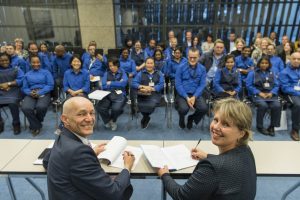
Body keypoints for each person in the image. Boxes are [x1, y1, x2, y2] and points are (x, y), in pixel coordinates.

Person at [158, 98, 256, 200]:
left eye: (226, 124)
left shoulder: (211, 168)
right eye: (216, 120)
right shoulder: (246, 150)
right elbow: (227, 165)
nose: (216, 127)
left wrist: (164, 175)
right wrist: (207, 156)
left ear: (241, 133)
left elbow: (181, 196)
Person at [43, 96, 135, 200]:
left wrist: (91, 153)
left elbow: (46, 161)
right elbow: (113, 194)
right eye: (81, 114)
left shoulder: (63, 134)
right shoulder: (78, 152)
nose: (90, 119)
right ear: (65, 119)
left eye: (92, 113)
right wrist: (127, 167)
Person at [246, 56, 281, 136]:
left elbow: (276, 85)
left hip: (270, 94)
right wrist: (259, 93)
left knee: (277, 105)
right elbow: (249, 85)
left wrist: (272, 93)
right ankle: (260, 126)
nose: (264, 65)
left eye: (266, 63)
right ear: (259, 64)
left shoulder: (272, 72)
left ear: (269, 64)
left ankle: (271, 126)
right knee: (263, 105)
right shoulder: (252, 72)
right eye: (262, 63)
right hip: (256, 94)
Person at [175, 48, 207, 129]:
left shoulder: (202, 69)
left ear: (199, 57)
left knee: (203, 109)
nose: (192, 59)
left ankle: (191, 119)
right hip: (183, 94)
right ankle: (181, 118)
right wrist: (187, 97)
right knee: (183, 109)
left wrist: (194, 97)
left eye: (195, 57)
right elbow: (178, 85)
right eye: (190, 57)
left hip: (196, 94)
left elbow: (202, 85)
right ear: (187, 56)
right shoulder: (180, 67)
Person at [21, 55, 54, 135]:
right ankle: (37, 125)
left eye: (38, 62)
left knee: (41, 107)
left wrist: (40, 92)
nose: (36, 64)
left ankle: (35, 125)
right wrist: (30, 93)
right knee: (25, 108)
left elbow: (50, 85)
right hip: (31, 93)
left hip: (44, 92)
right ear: (30, 63)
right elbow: (24, 88)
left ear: (40, 63)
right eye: (33, 62)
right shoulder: (27, 74)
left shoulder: (46, 72)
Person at [131, 57, 164, 129]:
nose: (149, 65)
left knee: (151, 105)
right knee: (140, 105)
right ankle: (146, 117)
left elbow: (161, 84)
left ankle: (145, 117)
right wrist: (143, 87)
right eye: (148, 63)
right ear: (145, 64)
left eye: (151, 63)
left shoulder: (159, 73)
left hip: (155, 94)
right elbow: (134, 83)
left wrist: (151, 89)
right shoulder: (140, 73)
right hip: (143, 94)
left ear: (154, 64)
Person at [97, 57, 128, 131]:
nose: (112, 67)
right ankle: (108, 121)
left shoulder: (123, 72)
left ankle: (113, 121)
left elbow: (124, 84)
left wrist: (110, 82)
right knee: (100, 107)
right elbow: (104, 86)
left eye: (114, 65)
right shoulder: (106, 73)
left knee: (116, 109)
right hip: (107, 93)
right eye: (110, 66)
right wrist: (118, 83)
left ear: (117, 65)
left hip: (120, 94)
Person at [0, 53, 24, 134]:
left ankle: (16, 124)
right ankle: (0, 122)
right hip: (1, 91)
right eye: (2, 60)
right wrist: (2, 86)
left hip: (14, 91)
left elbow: (21, 80)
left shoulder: (16, 69)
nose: (4, 62)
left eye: (6, 60)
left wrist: (9, 84)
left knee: (12, 103)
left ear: (10, 61)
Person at [279, 52, 300, 141]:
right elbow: (285, 88)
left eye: (298, 59)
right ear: (290, 59)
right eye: (294, 59)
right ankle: (295, 130)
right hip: (290, 94)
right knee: (298, 105)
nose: (296, 61)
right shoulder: (284, 72)